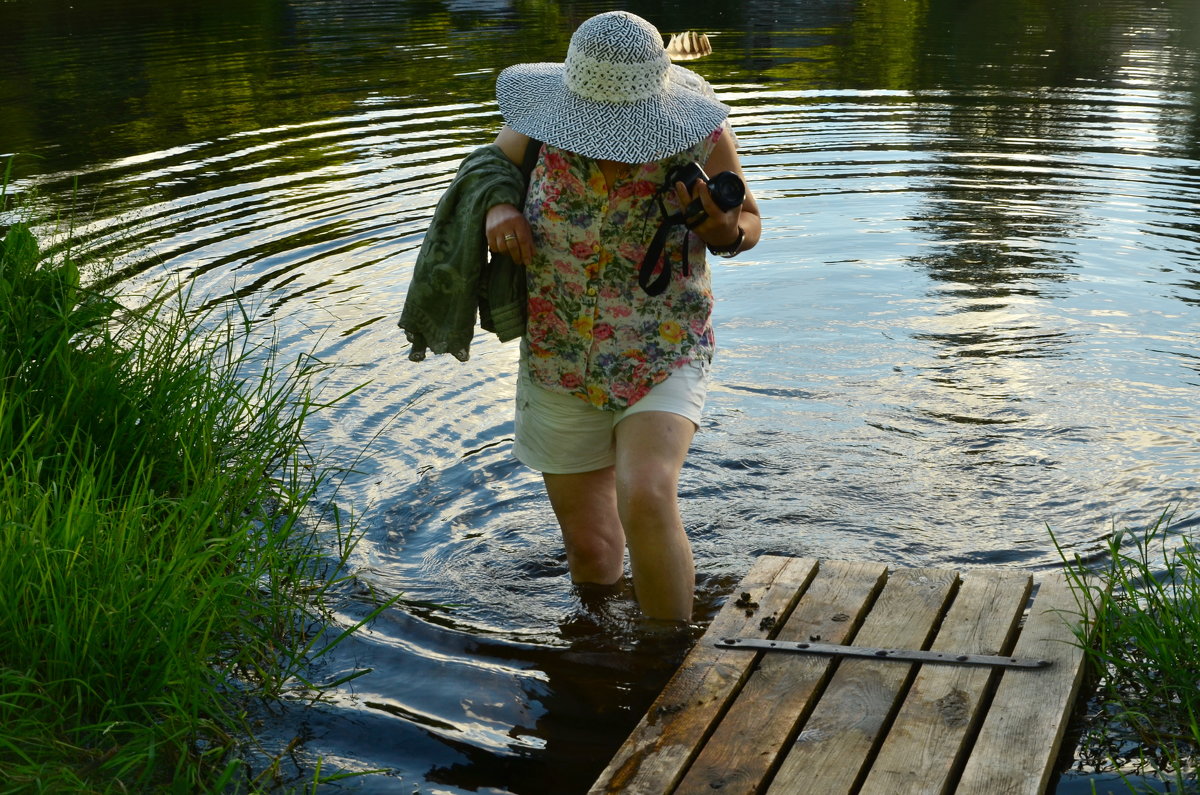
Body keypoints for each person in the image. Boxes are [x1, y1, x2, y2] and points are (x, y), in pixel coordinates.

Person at [486, 11, 761, 623]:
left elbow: (749, 223)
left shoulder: (699, 135)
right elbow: (484, 172)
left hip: (663, 346)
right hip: (559, 354)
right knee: (591, 549)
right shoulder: (533, 131)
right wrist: (499, 209)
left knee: (646, 490)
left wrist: (721, 230)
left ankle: (666, 665)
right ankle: (600, 652)